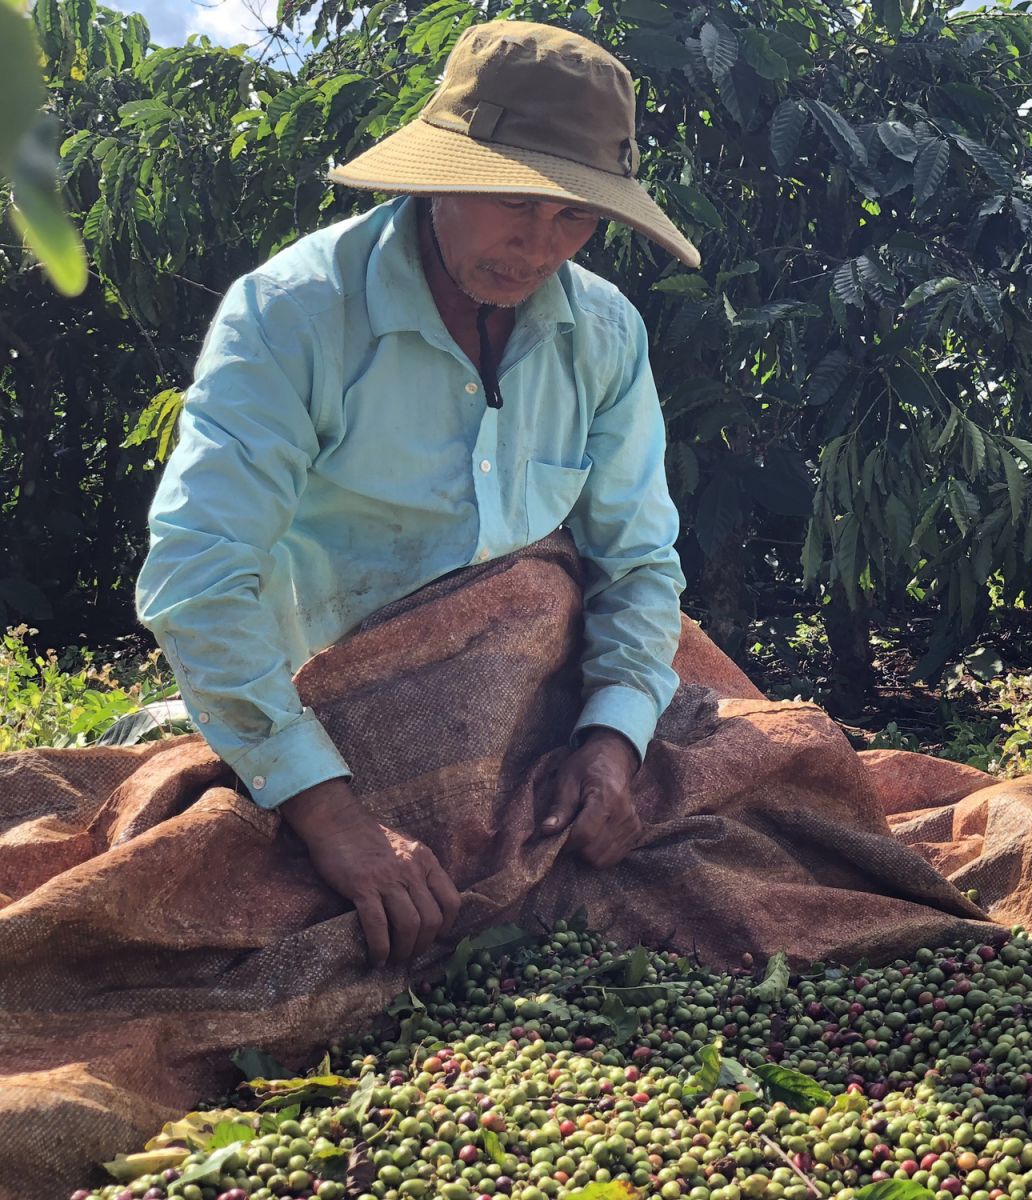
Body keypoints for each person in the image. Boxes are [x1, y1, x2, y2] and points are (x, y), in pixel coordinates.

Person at [134, 22, 700, 969]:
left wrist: (610, 744)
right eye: (512, 202)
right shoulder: (294, 315)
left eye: (573, 217)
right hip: (342, 701)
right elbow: (199, 574)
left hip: (535, 692)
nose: (537, 246)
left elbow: (637, 561)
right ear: (441, 175)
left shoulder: (604, 335)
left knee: (756, 793)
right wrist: (333, 818)